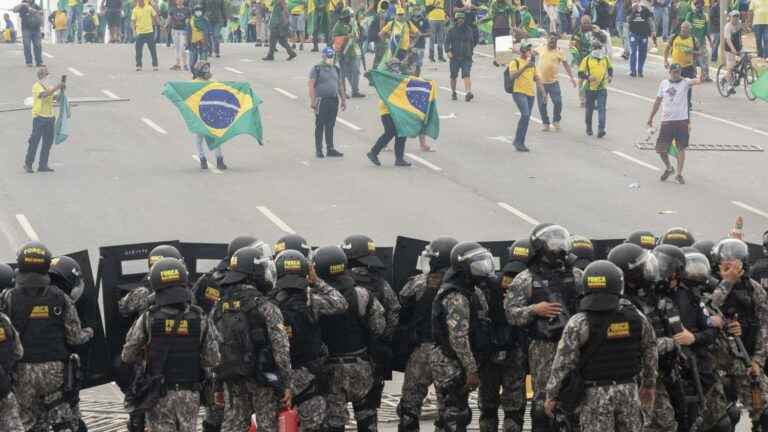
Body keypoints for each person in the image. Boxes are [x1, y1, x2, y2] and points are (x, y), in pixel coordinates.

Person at [544, 260, 658, 432]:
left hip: (594, 396)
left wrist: (552, 395)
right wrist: (649, 385)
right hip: (629, 392)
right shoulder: (637, 317)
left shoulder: (579, 322)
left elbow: (562, 364)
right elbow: (650, 350)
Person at [0, 242, 93, 431]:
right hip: (56, 374)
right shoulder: (61, 297)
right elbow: (74, 338)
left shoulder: (8, 297)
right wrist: (89, 332)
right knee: (64, 422)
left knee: (30, 423)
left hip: (23, 373)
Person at [121, 257, 221, 432]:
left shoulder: (148, 318)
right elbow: (212, 360)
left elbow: (127, 355)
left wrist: (147, 356)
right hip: (190, 395)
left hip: (159, 394)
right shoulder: (200, 318)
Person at [504, 223, 579, 432]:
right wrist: (535, 310)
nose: (559, 248)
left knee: (576, 395)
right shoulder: (525, 279)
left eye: (561, 242)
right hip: (543, 346)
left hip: (575, 345)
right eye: (553, 243)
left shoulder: (577, 275)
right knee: (542, 401)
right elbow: (511, 313)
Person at [212, 245, 293, 432]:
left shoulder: (219, 306)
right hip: (262, 377)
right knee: (267, 426)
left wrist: (217, 384)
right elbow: (280, 347)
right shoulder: (265, 306)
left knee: (233, 424)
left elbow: (213, 348)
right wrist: (287, 384)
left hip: (231, 377)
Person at [271, 250, 348, 432]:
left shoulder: (267, 303)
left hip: (277, 377)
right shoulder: (311, 301)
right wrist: (317, 281)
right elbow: (341, 303)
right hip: (309, 375)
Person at [314, 245, 386, 432]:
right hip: (361, 367)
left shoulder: (314, 299)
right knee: (367, 419)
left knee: (334, 424)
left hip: (330, 371)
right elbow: (379, 327)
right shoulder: (361, 294)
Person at [431, 242, 494, 432]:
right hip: (452, 363)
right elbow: (458, 338)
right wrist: (471, 370)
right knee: (454, 416)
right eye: (478, 264)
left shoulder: (471, 290)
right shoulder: (456, 296)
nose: (483, 268)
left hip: (459, 361)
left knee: (452, 414)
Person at [396, 237, 458, 432]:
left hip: (421, 351)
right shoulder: (461, 286)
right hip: (449, 353)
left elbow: (401, 310)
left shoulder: (418, 284)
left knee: (409, 407)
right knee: (449, 410)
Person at [708, 238, 768, 429]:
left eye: (734, 259)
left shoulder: (753, 289)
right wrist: (726, 283)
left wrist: (757, 360)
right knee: (722, 419)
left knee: (763, 409)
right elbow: (708, 309)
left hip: (744, 362)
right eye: (725, 259)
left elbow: (765, 326)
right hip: (715, 365)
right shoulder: (709, 285)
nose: (729, 263)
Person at [343, 235, 401, 432]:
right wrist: (384, 339)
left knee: (334, 418)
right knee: (367, 414)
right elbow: (394, 310)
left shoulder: (337, 283)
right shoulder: (379, 283)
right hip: (371, 358)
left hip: (338, 357)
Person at [647, 63, 701, 185]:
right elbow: (657, 101)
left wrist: (699, 70)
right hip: (666, 121)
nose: (677, 74)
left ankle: (679, 174)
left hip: (682, 121)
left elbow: (697, 81)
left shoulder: (685, 83)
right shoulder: (663, 84)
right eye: (675, 72)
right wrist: (650, 117)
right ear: (670, 72)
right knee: (661, 149)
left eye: (679, 72)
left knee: (681, 148)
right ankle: (669, 168)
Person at [24, 67, 63, 174]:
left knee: (47, 142)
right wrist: (56, 87)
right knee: (34, 142)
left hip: (50, 117)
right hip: (39, 117)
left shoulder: (48, 86)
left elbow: (55, 98)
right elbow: (44, 95)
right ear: (41, 76)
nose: (48, 76)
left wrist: (61, 93)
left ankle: (43, 164)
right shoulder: (37, 86)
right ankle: (28, 164)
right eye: (46, 74)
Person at [309, 47, 346, 158]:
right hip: (321, 100)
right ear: (323, 56)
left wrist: (343, 99)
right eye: (328, 56)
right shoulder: (316, 69)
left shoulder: (335, 68)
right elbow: (311, 85)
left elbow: (339, 85)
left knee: (331, 125)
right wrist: (313, 101)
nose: (330, 58)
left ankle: (330, 148)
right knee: (320, 124)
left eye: (331, 56)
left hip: (333, 99)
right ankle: (319, 150)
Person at [190, 61, 228, 170]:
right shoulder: (194, 84)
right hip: (202, 114)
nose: (207, 71)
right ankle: (203, 159)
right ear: (198, 72)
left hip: (210, 114)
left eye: (208, 68)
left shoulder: (212, 82)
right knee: (200, 139)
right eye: (204, 69)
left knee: (214, 138)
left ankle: (219, 160)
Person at [536, 32, 577, 132]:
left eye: (554, 41)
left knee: (558, 102)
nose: (552, 42)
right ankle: (545, 123)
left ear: (556, 43)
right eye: (550, 40)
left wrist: (572, 78)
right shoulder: (541, 48)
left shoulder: (559, 52)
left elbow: (566, 65)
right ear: (547, 40)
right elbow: (528, 53)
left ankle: (556, 120)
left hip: (553, 82)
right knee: (542, 104)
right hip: (541, 83)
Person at [508, 42, 542, 152]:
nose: (529, 52)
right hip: (518, 92)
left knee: (526, 119)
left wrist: (543, 92)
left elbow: (536, 78)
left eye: (530, 50)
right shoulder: (515, 62)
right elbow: (513, 76)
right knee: (525, 115)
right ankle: (518, 142)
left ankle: (519, 142)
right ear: (522, 51)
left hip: (530, 94)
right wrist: (525, 67)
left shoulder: (531, 64)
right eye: (528, 50)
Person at [578, 40, 612, 138]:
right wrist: (588, 77)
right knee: (589, 110)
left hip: (602, 88)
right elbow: (580, 73)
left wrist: (610, 76)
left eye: (599, 48)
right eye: (595, 48)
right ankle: (589, 127)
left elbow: (610, 68)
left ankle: (601, 129)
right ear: (592, 49)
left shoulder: (605, 58)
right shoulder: (587, 59)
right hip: (590, 89)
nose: (597, 50)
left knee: (602, 109)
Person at [332, 8, 364, 98]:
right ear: (345, 17)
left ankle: (355, 91)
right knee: (343, 73)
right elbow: (333, 39)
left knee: (356, 71)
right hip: (343, 52)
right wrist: (346, 37)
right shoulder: (338, 26)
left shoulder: (353, 24)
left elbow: (357, 35)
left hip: (354, 51)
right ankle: (343, 92)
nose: (351, 18)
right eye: (350, 17)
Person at [664, 21, 698, 101]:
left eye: (686, 29)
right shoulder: (674, 37)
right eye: (682, 28)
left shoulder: (693, 40)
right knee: (674, 85)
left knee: (687, 86)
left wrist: (691, 51)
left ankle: (687, 103)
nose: (683, 31)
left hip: (688, 67)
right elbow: (666, 49)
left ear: (689, 30)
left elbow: (700, 52)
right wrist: (665, 60)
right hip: (675, 67)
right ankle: (672, 100)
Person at [445, 12, 475, 101]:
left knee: (466, 75)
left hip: (466, 57)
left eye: (462, 19)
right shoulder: (451, 30)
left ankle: (468, 92)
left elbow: (472, 42)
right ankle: (453, 92)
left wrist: (470, 53)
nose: (460, 20)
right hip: (454, 57)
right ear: (456, 20)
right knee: (453, 76)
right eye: (459, 19)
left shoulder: (469, 30)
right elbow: (446, 43)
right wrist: (448, 51)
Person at [685, 0, 711, 81]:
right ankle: (693, 75)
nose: (699, 6)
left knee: (705, 59)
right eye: (697, 5)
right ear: (695, 5)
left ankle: (705, 76)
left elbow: (706, 30)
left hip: (702, 42)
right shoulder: (690, 15)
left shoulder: (704, 16)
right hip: (692, 41)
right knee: (693, 59)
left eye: (701, 5)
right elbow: (686, 27)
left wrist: (710, 41)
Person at [627, 0, 654, 77]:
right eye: (633, 1)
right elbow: (628, 20)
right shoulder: (630, 9)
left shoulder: (645, 9)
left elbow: (650, 21)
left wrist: (653, 31)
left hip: (644, 34)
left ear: (639, 1)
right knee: (633, 52)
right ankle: (632, 71)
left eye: (636, 1)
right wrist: (633, 11)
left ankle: (640, 70)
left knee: (643, 53)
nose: (634, 3)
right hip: (633, 33)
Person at [14, 0, 44, 67]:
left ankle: (39, 62)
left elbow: (42, 12)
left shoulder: (36, 5)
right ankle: (29, 62)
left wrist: (35, 11)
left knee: (38, 45)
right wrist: (22, 5)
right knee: (27, 45)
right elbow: (14, 10)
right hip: (26, 28)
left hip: (36, 28)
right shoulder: (22, 6)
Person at [132, 0, 159, 71]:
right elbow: (133, 21)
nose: (140, 1)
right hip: (139, 32)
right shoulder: (135, 9)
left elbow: (155, 16)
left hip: (149, 32)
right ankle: (138, 65)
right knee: (138, 50)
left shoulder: (149, 8)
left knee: (152, 50)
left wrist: (159, 25)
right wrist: (134, 31)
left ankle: (155, 65)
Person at [489, 0, 515, 66]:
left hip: (505, 27)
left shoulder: (507, 4)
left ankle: (504, 60)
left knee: (505, 44)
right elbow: (490, 14)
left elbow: (512, 13)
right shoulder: (494, 3)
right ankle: (497, 59)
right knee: (496, 44)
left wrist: (513, 24)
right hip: (496, 27)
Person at [722, 10, 742, 91]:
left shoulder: (739, 24)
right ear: (730, 17)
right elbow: (728, 40)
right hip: (729, 48)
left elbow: (745, 30)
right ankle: (729, 84)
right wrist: (733, 49)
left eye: (737, 16)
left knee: (746, 57)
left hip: (738, 47)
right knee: (731, 66)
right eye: (734, 16)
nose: (735, 18)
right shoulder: (728, 26)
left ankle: (739, 74)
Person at [168, 0, 190, 70]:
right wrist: (165, 26)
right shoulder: (172, 9)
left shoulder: (187, 10)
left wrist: (188, 26)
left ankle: (185, 64)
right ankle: (177, 64)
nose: (179, 1)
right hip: (174, 30)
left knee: (182, 48)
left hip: (183, 31)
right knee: (176, 48)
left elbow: (189, 20)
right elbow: (169, 18)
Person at [190, 5, 212, 70]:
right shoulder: (192, 19)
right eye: (196, 10)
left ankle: (203, 67)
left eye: (199, 10)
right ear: (194, 11)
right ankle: (193, 67)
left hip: (204, 38)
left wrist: (209, 32)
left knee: (204, 53)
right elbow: (193, 27)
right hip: (195, 39)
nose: (198, 12)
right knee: (194, 54)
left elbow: (209, 26)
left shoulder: (205, 19)